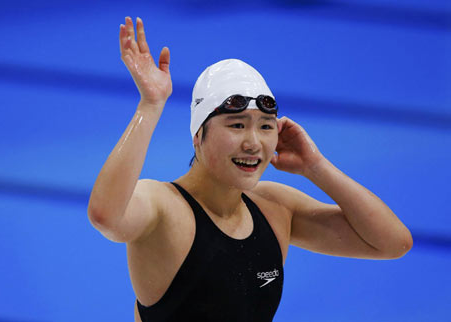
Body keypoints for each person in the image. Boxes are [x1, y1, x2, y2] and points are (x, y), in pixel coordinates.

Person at [87, 16, 413, 322]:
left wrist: (316, 166)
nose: (253, 143)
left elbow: (392, 243)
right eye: (237, 125)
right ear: (198, 136)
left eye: (266, 127)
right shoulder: (164, 208)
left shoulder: (274, 208)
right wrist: (151, 105)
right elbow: (106, 215)